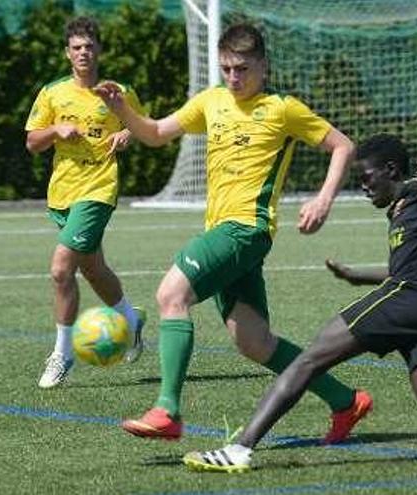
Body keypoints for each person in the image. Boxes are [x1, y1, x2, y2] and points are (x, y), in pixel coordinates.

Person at [182, 134, 417, 478]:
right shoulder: (407, 204)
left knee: (308, 361)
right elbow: (407, 267)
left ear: (391, 170)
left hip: (410, 298)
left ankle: (238, 450)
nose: (363, 187)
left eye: (366, 178)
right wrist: (356, 276)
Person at [93, 23, 372, 441]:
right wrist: (123, 111)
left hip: (247, 229)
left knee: (171, 294)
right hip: (226, 232)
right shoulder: (212, 101)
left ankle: (167, 410)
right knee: (254, 343)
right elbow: (153, 133)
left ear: (263, 65)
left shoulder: (283, 108)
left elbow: (342, 145)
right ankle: (345, 401)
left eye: (242, 68)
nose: (234, 78)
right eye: (227, 69)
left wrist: (323, 199)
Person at [25, 16, 146, 389]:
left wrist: (127, 131)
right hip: (63, 192)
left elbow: (144, 126)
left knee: (62, 269)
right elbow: (32, 142)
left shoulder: (117, 92)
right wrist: (55, 130)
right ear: (67, 53)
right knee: (92, 270)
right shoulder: (53, 93)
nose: (83, 53)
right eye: (76, 47)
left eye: (89, 46)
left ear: (100, 51)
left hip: (98, 188)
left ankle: (62, 353)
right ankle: (129, 320)